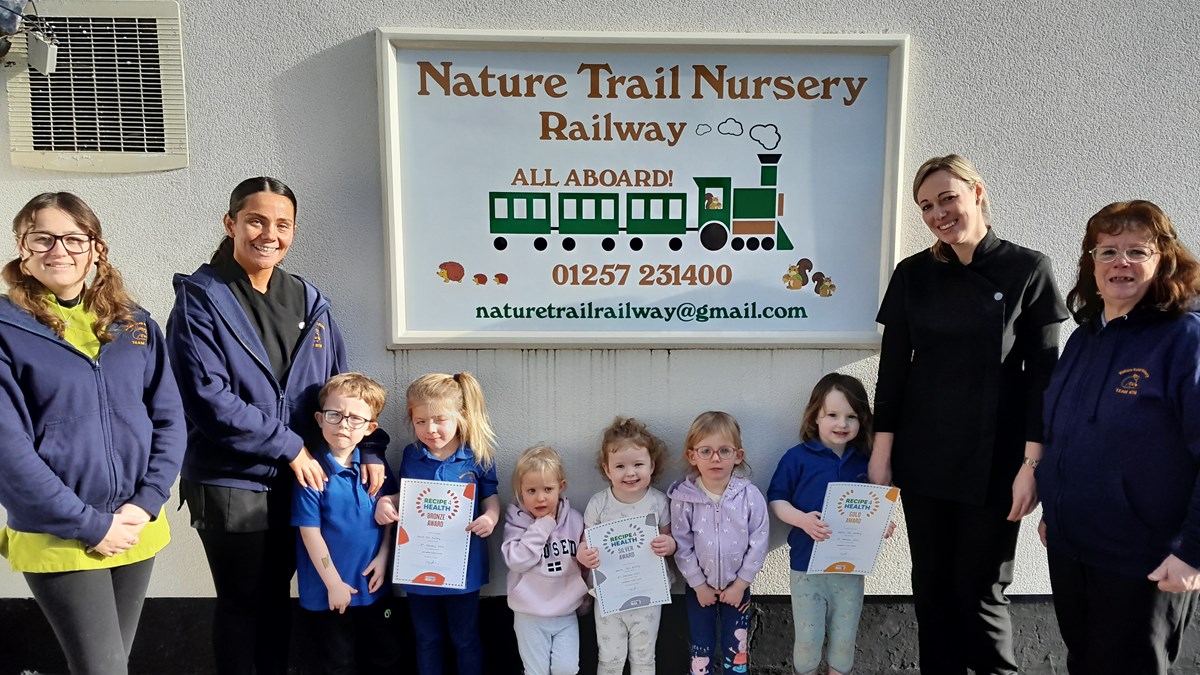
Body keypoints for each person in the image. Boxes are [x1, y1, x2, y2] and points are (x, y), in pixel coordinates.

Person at [167, 176, 386, 675]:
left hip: (302, 480)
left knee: (277, 603)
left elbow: (344, 389)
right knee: (243, 606)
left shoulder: (309, 301)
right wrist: (290, 446)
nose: (270, 234)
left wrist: (369, 448)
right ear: (232, 224)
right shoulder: (202, 299)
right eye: (256, 221)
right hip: (232, 481)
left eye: (282, 224)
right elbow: (207, 398)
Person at [869, 154, 1069, 674]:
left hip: (997, 460)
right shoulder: (913, 274)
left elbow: (1043, 375)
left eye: (947, 198)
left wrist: (1032, 467)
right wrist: (882, 454)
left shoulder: (1028, 267)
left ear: (977, 193)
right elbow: (893, 370)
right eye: (926, 206)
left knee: (981, 590)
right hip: (924, 454)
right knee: (931, 587)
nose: (938, 213)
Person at [0, 192, 186, 674]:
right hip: (59, 531)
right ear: (22, 248)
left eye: (73, 238)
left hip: (134, 528)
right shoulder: (5, 327)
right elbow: (8, 450)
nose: (57, 249)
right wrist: (91, 524)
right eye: (41, 238)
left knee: (109, 665)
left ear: (96, 248)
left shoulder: (134, 324)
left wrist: (144, 503)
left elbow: (168, 420)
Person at [1037, 200, 1200, 675]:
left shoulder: (1183, 339)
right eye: (1107, 252)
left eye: (1136, 251)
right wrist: (1055, 510)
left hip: (1145, 562)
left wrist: (1192, 553)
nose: (1120, 264)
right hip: (1072, 549)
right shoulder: (1085, 337)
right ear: (1091, 262)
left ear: (1162, 258)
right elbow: (1065, 432)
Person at [374, 371, 500, 675]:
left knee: (465, 638)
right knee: (427, 639)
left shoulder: (477, 456)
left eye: (440, 420)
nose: (430, 429)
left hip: (462, 567)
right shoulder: (411, 454)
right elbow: (404, 496)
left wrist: (490, 518)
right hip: (419, 568)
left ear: (461, 416)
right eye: (420, 422)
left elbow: (490, 497)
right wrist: (385, 503)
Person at [769, 373, 893, 675]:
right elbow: (776, 500)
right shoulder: (796, 458)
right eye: (833, 415)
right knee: (808, 640)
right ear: (815, 417)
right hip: (806, 567)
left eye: (852, 416)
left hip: (850, 568)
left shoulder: (866, 462)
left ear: (862, 420)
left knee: (845, 638)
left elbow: (877, 504)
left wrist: (881, 525)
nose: (842, 424)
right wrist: (801, 519)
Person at [292, 373, 397, 674]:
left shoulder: (375, 469)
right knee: (337, 664)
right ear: (319, 418)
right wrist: (334, 583)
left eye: (355, 419)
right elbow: (310, 533)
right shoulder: (313, 473)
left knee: (383, 657)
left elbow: (387, 515)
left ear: (370, 428)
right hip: (329, 594)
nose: (343, 425)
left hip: (373, 588)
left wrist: (383, 557)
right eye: (334, 415)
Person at [670, 411, 768, 675]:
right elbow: (682, 543)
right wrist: (698, 584)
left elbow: (759, 541)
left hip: (738, 589)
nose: (715, 458)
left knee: (736, 650)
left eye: (724, 450)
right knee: (701, 649)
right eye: (706, 451)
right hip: (698, 590)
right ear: (692, 456)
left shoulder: (749, 496)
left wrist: (741, 584)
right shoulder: (684, 498)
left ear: (738, 456)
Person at [576, 417, 677, 675]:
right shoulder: (599, 504)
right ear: (607, 470)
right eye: (620, 466)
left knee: (644, 657)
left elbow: (669, 539)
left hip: (648, 593)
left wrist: (669, 545)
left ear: (652, 465)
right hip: (609, 594)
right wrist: (584, 555)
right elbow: (586, 543)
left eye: (638, 464)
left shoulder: (658, 502)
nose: (630, 473)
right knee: (609, 658)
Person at [502, 444, 589, 675]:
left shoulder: (575, 520)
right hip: (529, 614)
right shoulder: (517, 521)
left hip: (565, 612)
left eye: (547, 489)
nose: (540, 498)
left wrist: (587, 596)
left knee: (567, 669)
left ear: (561, 487)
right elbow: (516, 561)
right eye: (531, 491)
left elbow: (582, 565)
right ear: (520, 490)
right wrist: (543, 526)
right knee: (536, 671)